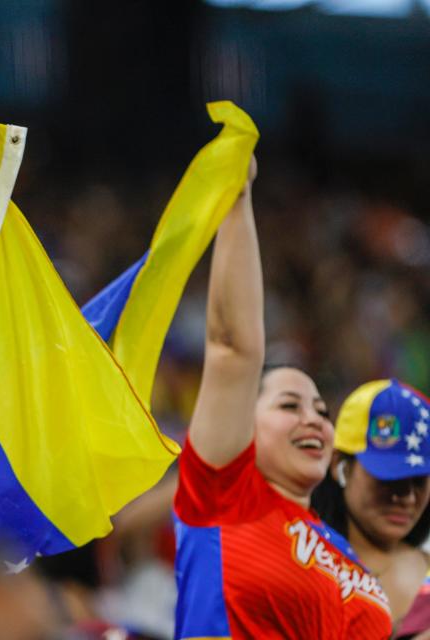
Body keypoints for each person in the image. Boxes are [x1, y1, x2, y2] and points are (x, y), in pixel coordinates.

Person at [171, 157, 393, 638]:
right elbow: (233, 349)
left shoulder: (341, 549)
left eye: (321, 410)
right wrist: (237, 202)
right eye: (289, 405)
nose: (314, 419)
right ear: (242, 424)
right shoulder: (220, 493)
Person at [311, 379, 430, 629]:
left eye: (418, 481)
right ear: (339, 465)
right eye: (389, 478)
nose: (406, 497)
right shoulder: (302, 563)